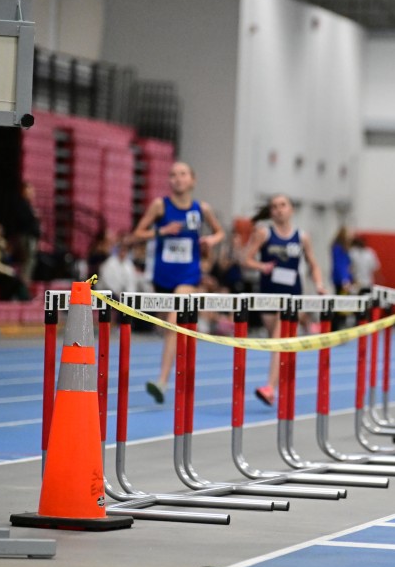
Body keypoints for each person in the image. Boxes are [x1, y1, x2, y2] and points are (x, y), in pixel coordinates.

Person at [131, 161, 224, 405]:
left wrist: (211, 241)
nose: (178, 178)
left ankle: (162, 381)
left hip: (188, 275)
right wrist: (162, 232)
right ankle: (177, 366)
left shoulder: (201, 209)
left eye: (183, 174)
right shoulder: (160, 205)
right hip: (162, 277)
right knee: (168, 327)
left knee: (173, 322)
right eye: (173, 175)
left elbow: (220, 232)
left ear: (192, 180)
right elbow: (137, 234)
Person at [244, 194, 326, 406]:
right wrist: (262, 266)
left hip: (291, 298)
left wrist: (319, 285)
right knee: (279, 345)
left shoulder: (302, 237)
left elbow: (313, 264)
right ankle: (280, 383)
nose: (279, 209)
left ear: (291, 210)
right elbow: (245, 259)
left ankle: (270, 387)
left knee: (280, 341)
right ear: (271, 212)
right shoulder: (264, 233)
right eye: (274, 207)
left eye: (283, 205)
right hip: (268, 296)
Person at [14, 182, 41, 283]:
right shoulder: (21, 204)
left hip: (30, 235)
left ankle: (26, 280)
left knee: (31, 259)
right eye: (29, 190)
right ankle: (24, 281)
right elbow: (23, 219)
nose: (31, 193)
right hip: (26, 236)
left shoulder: (27, 204)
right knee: (28, 259)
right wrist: (33, 216)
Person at [330, 226, 353, 295]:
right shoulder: (339, 248)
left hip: (342, 278)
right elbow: (340, 265)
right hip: (341, 280)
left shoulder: (342, 248)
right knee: (342, 298)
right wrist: (344, 279)